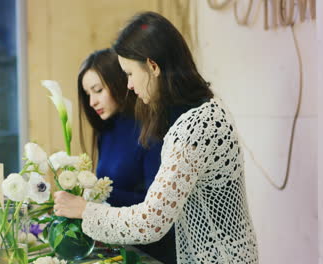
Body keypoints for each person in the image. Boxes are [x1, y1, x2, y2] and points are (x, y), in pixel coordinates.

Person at [54, 12, 259, 263]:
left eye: (129, 73)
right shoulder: (202, 110)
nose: (128, 85)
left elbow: (152, 221)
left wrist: (85, 210)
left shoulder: (196, 125)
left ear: (153, 66)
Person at [77, 48, 177, 263]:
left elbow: (158, 207)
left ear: (119, 82)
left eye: (98, 90)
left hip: (154, 252)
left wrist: (94, 200)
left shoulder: (151, 129)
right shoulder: (107, 130)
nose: (92, 102)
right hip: (121, 245)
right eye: (88, 94)